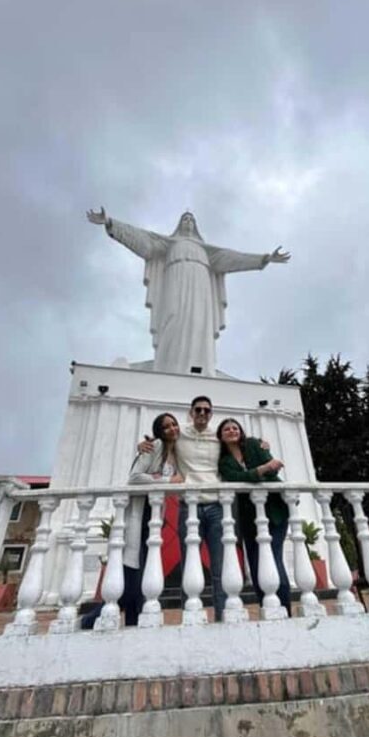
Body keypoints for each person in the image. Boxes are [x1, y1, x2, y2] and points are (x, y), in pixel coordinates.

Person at [86, 208, 290, 377]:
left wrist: (264, 259)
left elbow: (233, 258)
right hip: (175, 280)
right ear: (179, 224)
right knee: (173, 317)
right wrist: (110, 223)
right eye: (185, 218)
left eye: (191, 219)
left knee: (198, 321)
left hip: (200, 284)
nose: (188, 221)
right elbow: (142, 241)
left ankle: (200, 368)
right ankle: (169, 367)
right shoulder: (167, 244)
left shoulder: (208, 251)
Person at [81, 413, 183, 629]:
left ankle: (131, 624)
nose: (172, 428)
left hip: (155, 514)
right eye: (166, 427)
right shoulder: (154, 446)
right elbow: (134, 477)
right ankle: (91, 620)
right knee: (133, 574)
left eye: (174, 424)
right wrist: (166, 480)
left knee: (144, 571)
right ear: (159, 432)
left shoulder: (177, 452)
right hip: (140, 512)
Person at [138, 395, 227, 621]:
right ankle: (191, 616)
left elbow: (240, 443)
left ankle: (224, 616)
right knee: (189, 563)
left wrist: (261, 445)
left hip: (217, 505)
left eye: (207, 410)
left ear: (211, 414)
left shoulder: (218, 437)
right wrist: (143, 445)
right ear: (191, 412)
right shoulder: (180, 434)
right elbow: (162, 440)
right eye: (198, 410)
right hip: (190, 506)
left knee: (220, 566)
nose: (202, 414)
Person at [217, 417, 291, 616]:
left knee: (274, 560)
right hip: (249, 517)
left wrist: (265, 468)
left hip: (275, 512)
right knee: (256, 564)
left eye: (235, 427)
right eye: (226, 429)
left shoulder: (253, 444)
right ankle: (266, 607)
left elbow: (271, 466)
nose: (232, 431)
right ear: (221, 436)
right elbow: (236, 477)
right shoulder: (223, 461)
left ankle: (285, 611)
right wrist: (263, 469)